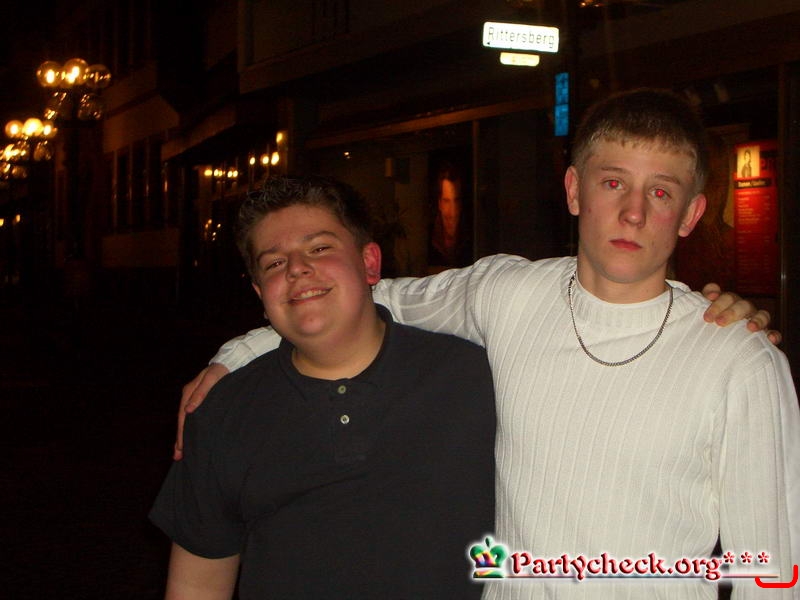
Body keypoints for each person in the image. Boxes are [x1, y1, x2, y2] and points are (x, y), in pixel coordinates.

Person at [175, 89, 798, 599]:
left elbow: (770, 572)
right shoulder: (508, 294)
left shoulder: (738, 359)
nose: (633, 212)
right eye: (613, 183)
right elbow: (353, 298)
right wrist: (239, 354)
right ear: (574, 190)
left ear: (690, 214)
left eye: (660, 192)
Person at [150, 176, 496, 599]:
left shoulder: (473, 378)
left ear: (369, 264)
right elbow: (197, 585)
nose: (296, 268)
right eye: (274, 263)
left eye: (319, 249)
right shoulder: (221, 411)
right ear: (260, 293)